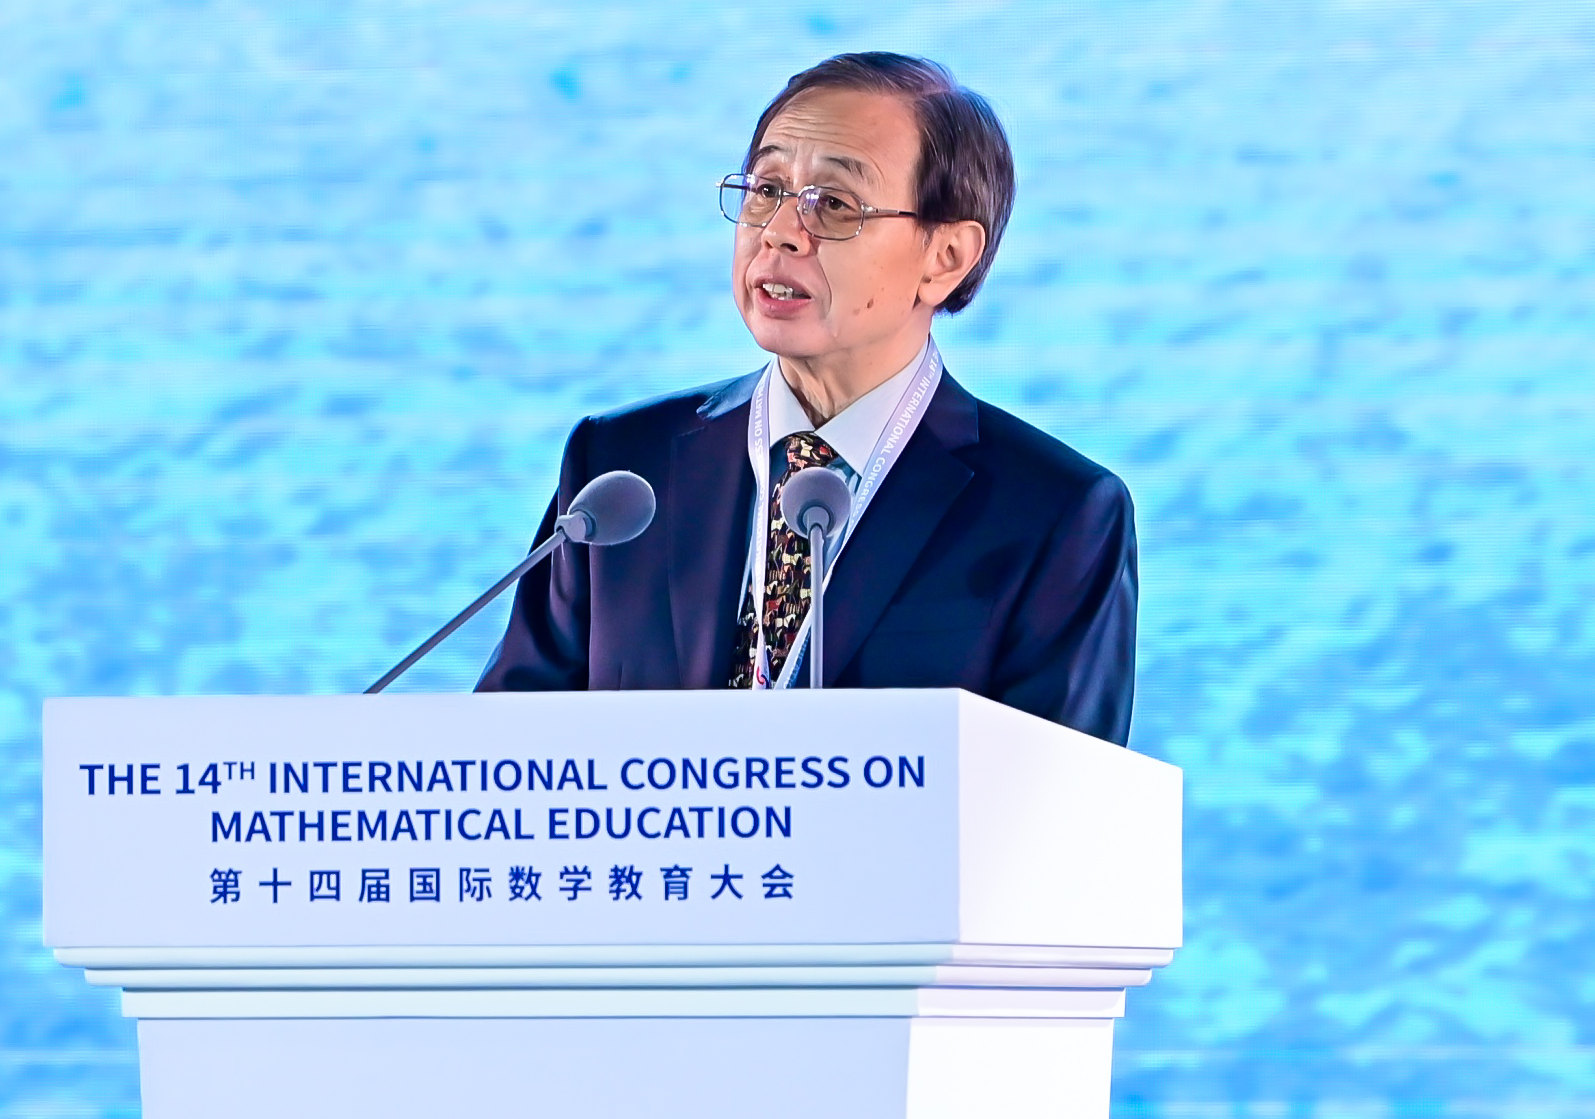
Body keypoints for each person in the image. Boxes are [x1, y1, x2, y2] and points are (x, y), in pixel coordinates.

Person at [477, 52, 1138, 745]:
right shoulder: (620, 470)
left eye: (835, 205)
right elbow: (505, 755)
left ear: (945, 258)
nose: (780, 231)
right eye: (766, 190)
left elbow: (1057, 802)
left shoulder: (1054, 515)